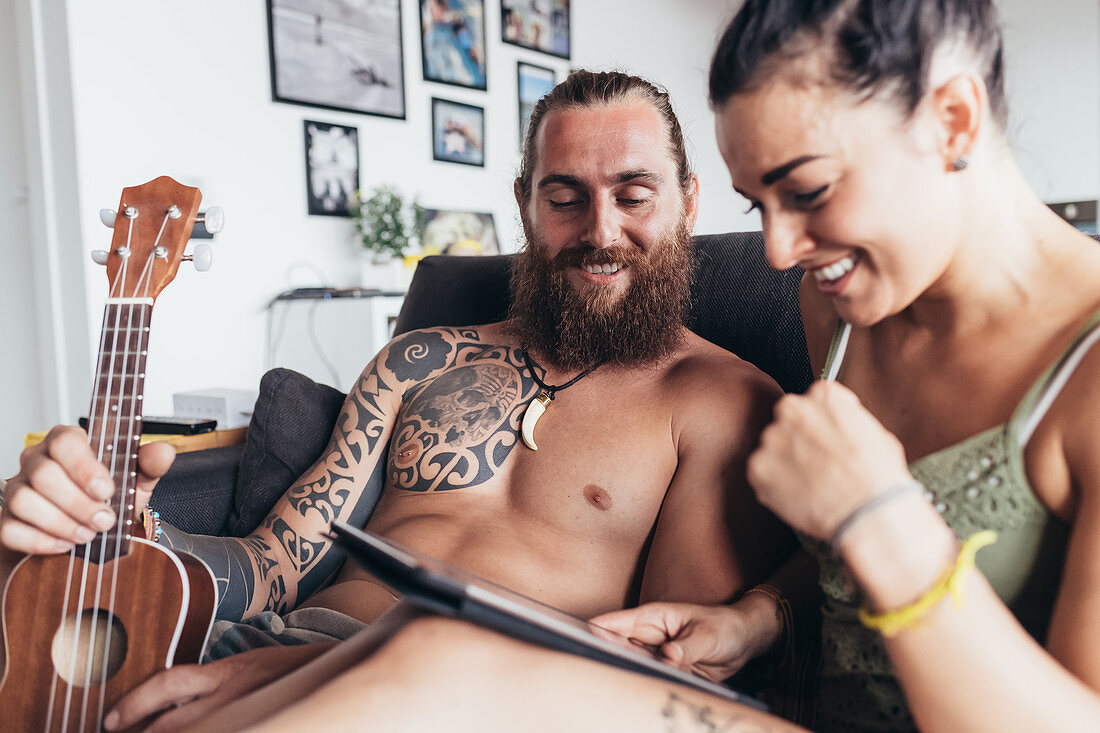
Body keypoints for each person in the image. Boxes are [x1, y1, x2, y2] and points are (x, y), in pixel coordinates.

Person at [176, 0, 1100, 730]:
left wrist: (882, 520)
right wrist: (757, 616)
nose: (776, 253)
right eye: (760, 203)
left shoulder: (1076, 369)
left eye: (808, 191)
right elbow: (822, 580)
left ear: (953, 118)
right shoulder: (844, 305)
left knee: (437, 655)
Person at [0, 70, 792, 731]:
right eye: (566, 198)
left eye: (634, 194)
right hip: (261, 643)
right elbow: (274, 564)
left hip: (477, 697)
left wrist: (315, 671)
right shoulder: (420, 359)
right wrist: (143, 532)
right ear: (525, 204)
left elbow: (665, 669)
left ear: (688, 203)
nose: (600, 229)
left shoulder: (721, 400)